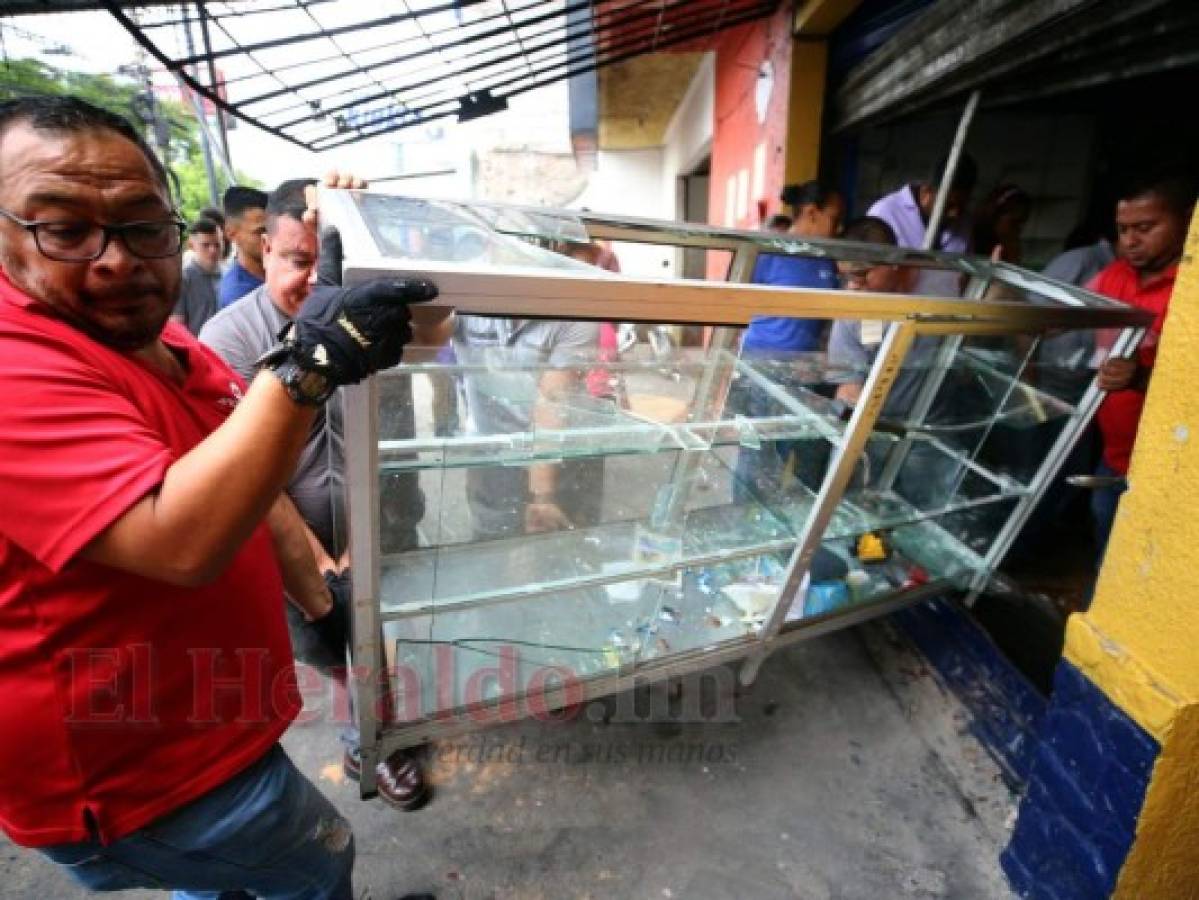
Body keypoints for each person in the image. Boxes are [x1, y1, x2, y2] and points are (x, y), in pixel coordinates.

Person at [0, 95, 434, 898]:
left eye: (142, 225)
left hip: (210, 717)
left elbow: (236, 464)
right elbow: (181, 539)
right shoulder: (16, 362)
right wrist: (311, 361)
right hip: (139, 765)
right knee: (314, 862)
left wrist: (321, 596)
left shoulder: (148, 336)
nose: (117, 259)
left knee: (221, 884)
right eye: (64, 229)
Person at [200, 179, 431, 810]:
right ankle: (370, 743)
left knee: (384, 633)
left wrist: (363, 539)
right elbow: (249, 471)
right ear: (262, 251)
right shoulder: (229, 340)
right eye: (297, 261)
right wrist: (316, 558)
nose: (311, 280)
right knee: (335, 651)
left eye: (323, 262)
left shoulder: (370, 323)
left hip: (379, 522)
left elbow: (393, 439)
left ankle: (389, 721)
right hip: (288, 539)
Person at [1089, 169, 1196, 560]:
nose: (1130, 241)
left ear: (1187, 220)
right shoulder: (1116, 275)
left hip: (1167, 472)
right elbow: (1063, 316)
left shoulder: (1190, 287)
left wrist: (1143, 377)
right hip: (1113, 457)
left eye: (1146, 227)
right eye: (1122, 229)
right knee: (1105, 547)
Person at [730, 180, 844, 500]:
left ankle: (790, 528)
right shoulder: (770, 251)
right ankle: (745, 523)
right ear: (811, 213)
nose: (839, 228)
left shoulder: (827, 259)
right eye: (834, 219)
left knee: (803, 448)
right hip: (764, 366)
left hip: (807, 370)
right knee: (758, 452)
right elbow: (734, 305)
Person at [868, 153, 977, 297]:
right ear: (927, 191)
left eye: (961, 206)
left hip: (944, 312)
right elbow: (870, 276)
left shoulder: (965, 220)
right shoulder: (886, 213)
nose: (955, 214)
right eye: (949, 205)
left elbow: (964, 276)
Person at [217, 184, 267, 308]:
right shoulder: (238, 295)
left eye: (272, 230)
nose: (268, 238)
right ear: (231, 232)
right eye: (260, 232)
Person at [171, 217, 222, 335]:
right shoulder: (183, 279)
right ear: (191, 245)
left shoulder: (227, 274)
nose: (212, 250)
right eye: (206, 245)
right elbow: (177, 326)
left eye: (217, 245)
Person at [972, 183, 1032, 265]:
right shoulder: (972, 241)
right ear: (996, 216)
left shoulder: (1013, 247)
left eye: (1022, 221)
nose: (1019, 228)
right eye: (1014, 222)